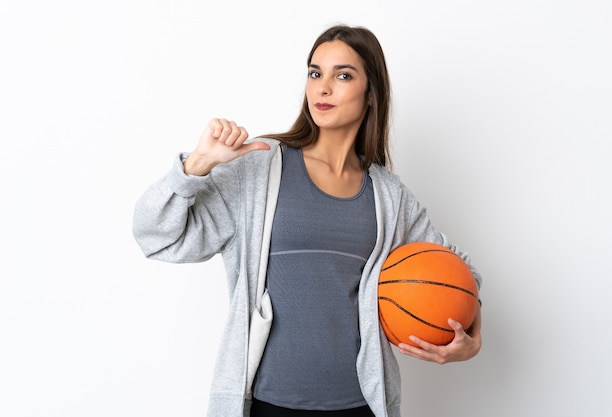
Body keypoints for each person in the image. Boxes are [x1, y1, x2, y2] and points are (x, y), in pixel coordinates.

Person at [133, 24, 482, 417]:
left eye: (343, 75)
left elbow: (457, 269)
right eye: (315, 73)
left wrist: (473, 336)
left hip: (360, 405)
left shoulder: (388, 196)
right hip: (267, 405)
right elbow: (155, 235)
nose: (323, 87)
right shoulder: (259, 167)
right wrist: (196, 165)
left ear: (371, 94)